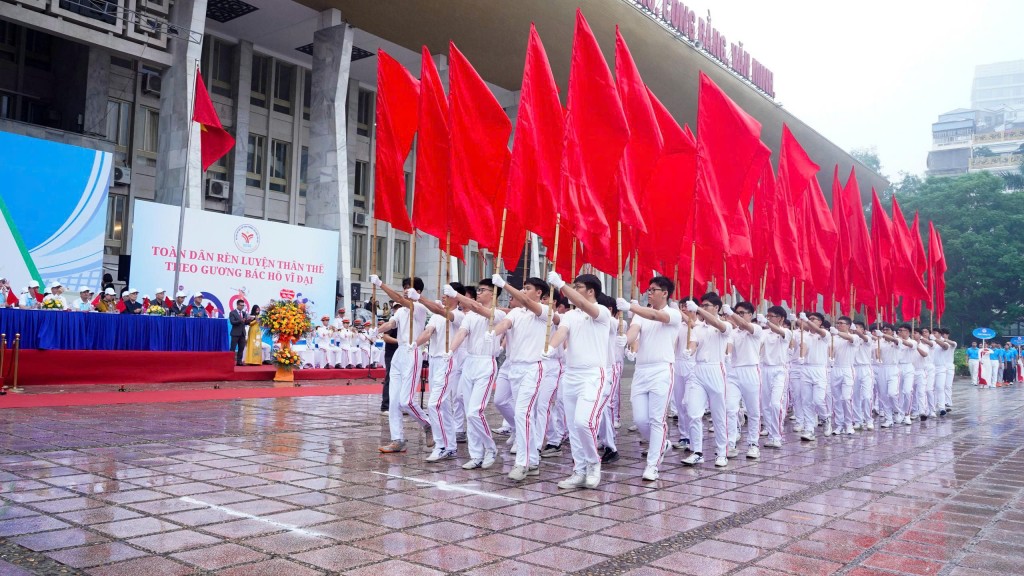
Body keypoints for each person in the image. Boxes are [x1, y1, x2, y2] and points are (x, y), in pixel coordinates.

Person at [544, 272, 612, 489]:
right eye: (573, 287)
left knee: (584, 422)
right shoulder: (570, 315)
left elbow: (583, 304)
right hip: (571, 375)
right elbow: (562, 333)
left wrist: (562, 285)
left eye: (578, 287)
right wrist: (550, 347)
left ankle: (593, 463)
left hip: (593, 375)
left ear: (591, 291)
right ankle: (579, 470)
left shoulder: (601, 312)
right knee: (573, 427)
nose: (574, 291)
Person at [488, 275, 551, 481]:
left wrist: (504, 285)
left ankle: (522, 463)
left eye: (528, 288)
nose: (524, 291)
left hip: (533, 367)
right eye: (523, 288)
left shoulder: (544, 311)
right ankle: (533, 461)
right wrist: (493, 333)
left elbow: (524, 301)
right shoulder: (516, 312)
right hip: (514, 368)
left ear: (539, 293)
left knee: (523, 413)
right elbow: (505, 323)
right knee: (524, 415)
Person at [619, 276, 680, 481]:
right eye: (649, 289)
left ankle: (653, 465)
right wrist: (623, 340)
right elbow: (633, 332)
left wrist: (631, 306)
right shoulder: (640, 315)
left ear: (665, 293)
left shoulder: (673, 313)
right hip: (641, 371)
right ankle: (662, 444)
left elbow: (655, 315)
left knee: (656, 419)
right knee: (640, 419)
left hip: (661, 370)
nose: (649, 293)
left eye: (653, 290)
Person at [446, 278, 507, 470]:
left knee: (475, 412)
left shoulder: (497, 314)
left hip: (486, 363)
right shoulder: (470, 316)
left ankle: (490, 448)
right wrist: (450, 351)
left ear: (493, 294)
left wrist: (456, 295)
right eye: (478, 290)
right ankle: (476, 454)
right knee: (468, 411)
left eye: (482, 290)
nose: (478, 293)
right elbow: (461, 333)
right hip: (470, 362)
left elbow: (479, 308)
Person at [372, 275, 431, 454]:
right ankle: (397, 439)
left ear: (418, 291)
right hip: (399, 353)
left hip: (413, 351)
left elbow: (398, 298)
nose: (405, 291)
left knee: (406, 401)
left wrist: (380, 284)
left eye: (409, 288)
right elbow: (391, 324)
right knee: (394, 402)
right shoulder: (401, 311)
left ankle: (428, 424)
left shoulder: (419, 307)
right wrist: (377, 330)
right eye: (404, 287)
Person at [414, 282, 466, 463]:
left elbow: (442, 311)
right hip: (434, 361)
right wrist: (414, 344)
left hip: (447, 360)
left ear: (456, 297)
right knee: (443, 406)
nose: (443, 296)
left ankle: (441, 445)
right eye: (443, 294)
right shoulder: (436, 316)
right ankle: (450, 446)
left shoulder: (458, 315)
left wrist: (419, 298)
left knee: (433, 404)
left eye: (447, 294)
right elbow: (428, 332)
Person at [681, 292, 731, 467]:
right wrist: (689, 351)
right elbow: (693, 344)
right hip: (698, 371)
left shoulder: (725, 325)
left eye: (706, 305)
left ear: (716, 308)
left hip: (716, 370)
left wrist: (698, 309)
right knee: (693, 412)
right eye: (702, 305)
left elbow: (717, 323)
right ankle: (697, 452)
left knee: (719, 415)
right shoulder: (697, 328)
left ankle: (722, 452)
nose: (702, 308)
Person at [722, 300, 764, 455]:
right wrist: (727, 354)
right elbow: (729, 344)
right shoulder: (732, 332)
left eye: (742, 313)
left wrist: (731, 314)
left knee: (753, 411)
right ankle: (731, 443)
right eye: (737, 312)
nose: (739, 316)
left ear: (750, 315)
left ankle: (753, 444)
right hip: (733, 373)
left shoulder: (756, 329)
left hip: (751, 371)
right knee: (730, 408)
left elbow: (744, 325)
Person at [759, 306, 791, 447]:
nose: (769, 318)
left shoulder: (786, 332)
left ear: (781, 318)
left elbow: (779, 331)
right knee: (765, 405)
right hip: (764, 369)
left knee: (775, 403)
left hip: (779, 370)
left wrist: (766, 323)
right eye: (768, 316)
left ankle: (777, 436)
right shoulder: (764, 333)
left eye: (772, 316)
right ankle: (771, 434)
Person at [228, 300, 252, 366]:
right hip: (235, 333)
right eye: (241, 305)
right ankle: (230, 362)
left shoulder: (244, 313)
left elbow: (245, 323)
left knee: (241, 348)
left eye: (243, 305)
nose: (242, 307)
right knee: (232, 348)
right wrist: (241, 320)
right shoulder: (232, 313)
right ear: (237, 305)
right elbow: (232, 322)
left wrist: (249, 320)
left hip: (242, 333)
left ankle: (239, 362)